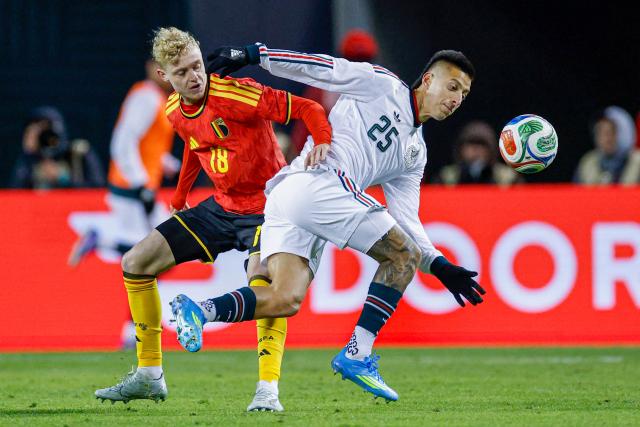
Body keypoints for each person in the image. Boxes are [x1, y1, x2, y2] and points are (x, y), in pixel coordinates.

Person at [170, 43, 485, 402]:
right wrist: (256, 55)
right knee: (402, 256)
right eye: (452, 86)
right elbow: (321, 67)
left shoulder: (415, 152)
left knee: (283, 298)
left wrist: (440, 265)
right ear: (428, 80)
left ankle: (200, 309)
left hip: (295, 195)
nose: (457, 98)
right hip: (320, 183)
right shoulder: (382, 85)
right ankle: (358, 353)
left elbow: (407, 219)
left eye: (464, 93)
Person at [94, 27, 332, 412]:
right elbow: (196, 144)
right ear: (164, 76)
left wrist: (321, 140)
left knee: (264, 282)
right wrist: (180, 195)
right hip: (221, 207)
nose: (195, 77)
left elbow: (309, 109)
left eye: (197, 66)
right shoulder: (173, 109)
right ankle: (149, 375)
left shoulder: (237, 94)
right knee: (136, 263)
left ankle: (267, 390)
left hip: (271, 206)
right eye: (183, 72)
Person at [68, 59, 178, 269]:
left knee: (162, 248)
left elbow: (148, 144)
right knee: (155, 249)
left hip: (140, 186)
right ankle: (100, 240)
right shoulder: (146, 97)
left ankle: (100, 240)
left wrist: (166, 163)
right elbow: (123, 141)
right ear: (151, 67)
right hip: (132, 188)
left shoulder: (157, 98)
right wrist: (139, 182)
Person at [287, 29, 378, 161]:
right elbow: (300, 138)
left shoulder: (383, 89)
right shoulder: (321, 89)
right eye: (353, 60)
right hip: (327, 164)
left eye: (363, 61)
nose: (358, 66)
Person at [11, 106, 104, 189]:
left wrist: (63, 178)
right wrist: (29, 154)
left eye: (46, 129)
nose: (44, 136)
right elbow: (15, 195)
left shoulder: (79, 153)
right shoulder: (29, 159)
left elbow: (98, 189)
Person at [438, 120, 520, 185]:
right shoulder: (447, 178)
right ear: (461, 148)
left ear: (491, 149)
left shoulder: (507, 178)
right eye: (471, 143)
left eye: (482, 144)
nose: (476, 149)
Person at [574, 108, 640, 184]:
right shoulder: (587, 163)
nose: (607, 138)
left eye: (611, 132)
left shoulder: (637, 162)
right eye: (601, 133)